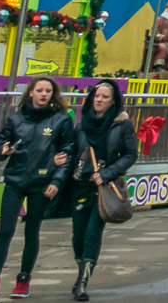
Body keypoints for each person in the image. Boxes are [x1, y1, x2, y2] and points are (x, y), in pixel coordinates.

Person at [0, 75, 74, 300]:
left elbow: (67, 152)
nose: (43, 95)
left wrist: (56, 181)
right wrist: (2, 151)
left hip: (41, 185)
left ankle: (23, 281)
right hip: (15, 181)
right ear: (30, 93)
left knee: (32, 231)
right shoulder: (15, 120)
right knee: (6, 231)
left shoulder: (61, 120)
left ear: (53, 95)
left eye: (48, 91)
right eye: (39, 90)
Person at [65, 78, 137, 302]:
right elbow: (73, 150)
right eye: (96, 96)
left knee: (92, 234)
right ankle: (80, 274)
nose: (99, 100)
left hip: (104, 187)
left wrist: (107, 174)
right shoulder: (82, 123)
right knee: (77, 236)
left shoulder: (122, 124)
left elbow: (130, 154)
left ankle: (83, 283)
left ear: (113, 101)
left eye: (105, 97)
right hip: (81, 185)